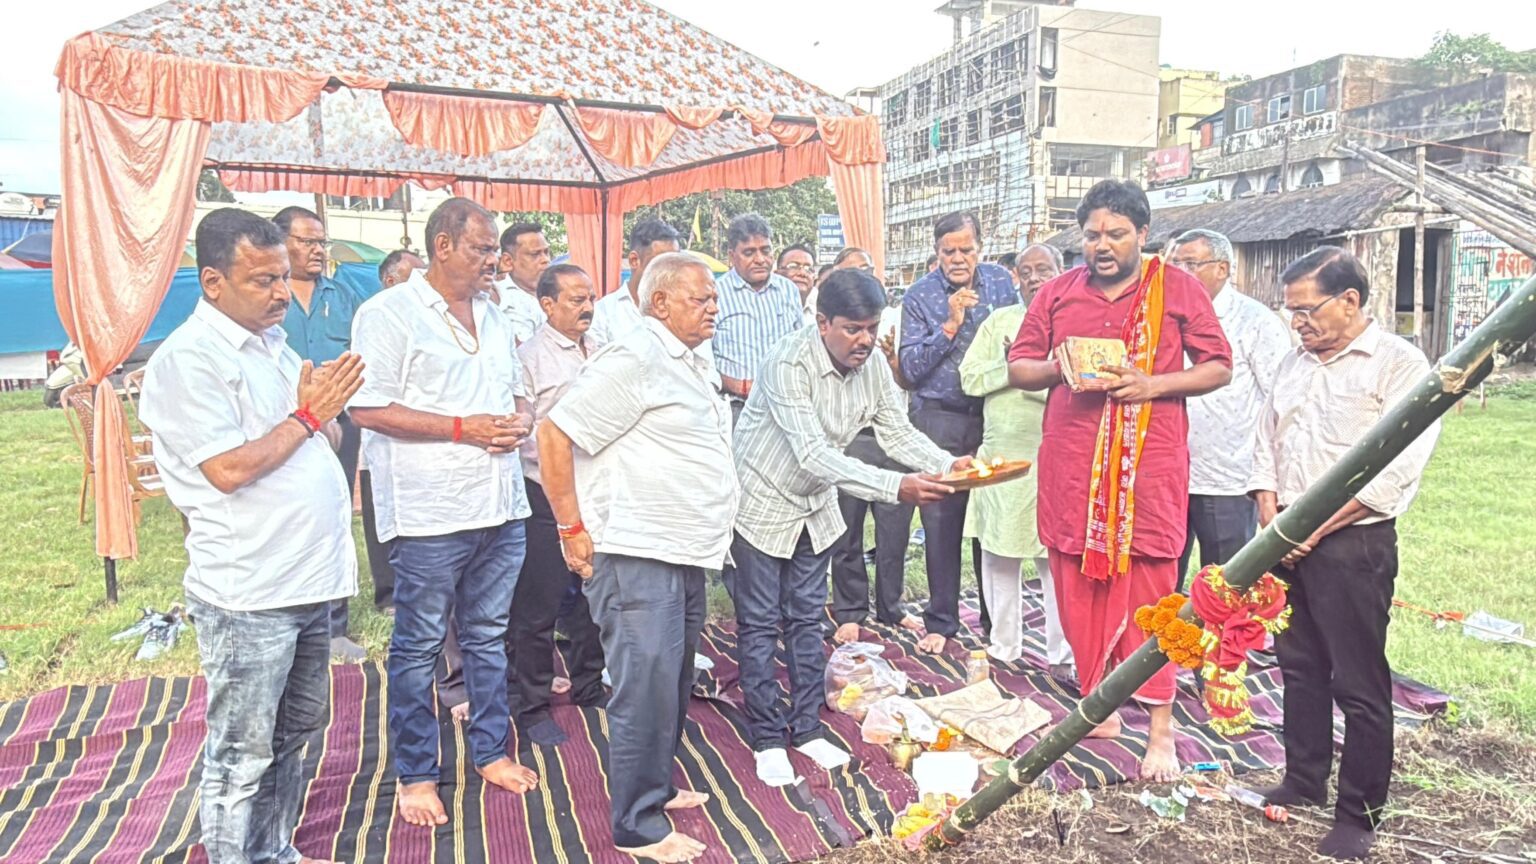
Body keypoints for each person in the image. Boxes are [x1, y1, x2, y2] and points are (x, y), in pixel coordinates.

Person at [140, 208, 364, 864]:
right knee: (241, 755)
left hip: (306, 580)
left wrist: (322, 418)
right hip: (249, 591)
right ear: (213, 282)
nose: (279, 294)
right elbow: (231, 469)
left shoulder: (273, 346)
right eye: (263, 279)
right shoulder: (189, 362)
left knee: (296, 732)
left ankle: (273, 850)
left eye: (283, 278)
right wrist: (308, 414)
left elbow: (324, 435)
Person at [1007, 180, 1232, 782]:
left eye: (1116, 234)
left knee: (1153, 593)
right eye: (1091, 235)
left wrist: (1151, 384)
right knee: (1075, 584)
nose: (1102, 246)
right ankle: (1098, 707)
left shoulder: (1177, 287)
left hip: (1146, 471)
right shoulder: (1057, 292)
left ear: (1142, 234)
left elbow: (1218, 366)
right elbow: (1020, 367)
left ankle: (1161, 729)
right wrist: (1066, 366)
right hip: (1073, 468)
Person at [349, 198, 539, 827]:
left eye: (494, 251)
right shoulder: (389, 312)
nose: (494, 261)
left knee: (487, 637)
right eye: (483, 249)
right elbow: (368, 409)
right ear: (443, 246)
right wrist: (464, 427)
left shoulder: (497, 312)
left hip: (501, 504)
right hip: (430, 513)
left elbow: (515, 391)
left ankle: (488, 750)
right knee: (419, 645)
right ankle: (416, 774)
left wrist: (517, 421)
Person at [537, 252, 731, 864]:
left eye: (712, 298)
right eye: (699, 298)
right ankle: (636, 826)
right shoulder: (637, 357)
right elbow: (553, 434)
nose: (713, 307)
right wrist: (570, 527)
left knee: (671, 676)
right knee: (643, 681)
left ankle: (656, 786)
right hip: (633, 547)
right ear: (660, 302)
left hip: (680, 547)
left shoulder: (687, 359)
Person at [733, 269, 962, 786]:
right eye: (852, 329)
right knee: (761, 621)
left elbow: (895, 429)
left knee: (808, 618)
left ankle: (807, 726)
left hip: (815, 503)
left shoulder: (873, 363)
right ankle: (768, 737)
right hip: (761, 501)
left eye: (872, 327)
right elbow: (812, 453)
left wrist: (948, 466)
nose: (864, 340)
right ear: (822, 323)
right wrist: (896, 487)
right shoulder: (789, 362)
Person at [1249, 248, 1440, 861]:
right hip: (1287, 539)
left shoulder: (1401, 366)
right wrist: (1272, 514)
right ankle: (1303, 779)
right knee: (1298, 666)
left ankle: (1359, 814)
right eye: (1291, 312)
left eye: (1308, 310)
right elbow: (1265, 443)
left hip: (1353, 542)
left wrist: (1315, 528)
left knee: (1358, 681)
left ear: (1350, 300)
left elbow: (1394, 475)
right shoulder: (1291, 362)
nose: (1298, 323)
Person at [898, 210, 1019, 654]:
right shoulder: (919, 296)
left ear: (980, 248)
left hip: (993, 414)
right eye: (948, 251)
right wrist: (948, 325)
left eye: (966, 249)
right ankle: (942, 620)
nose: (958, 258)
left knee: (990, 520)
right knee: (942, 522)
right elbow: (909, 370)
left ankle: (995, 623)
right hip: (939, 417)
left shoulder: (1003, 284)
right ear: (936, 252)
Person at [959, 244, 1073, 676]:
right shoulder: (999, 322)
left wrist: (1034, 373)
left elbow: (1082, 383)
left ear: (1062, 272)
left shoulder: (1075, 322)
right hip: (1003, 454)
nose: (1033, 278)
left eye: (1043, 269)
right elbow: (969, 379)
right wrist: (1012, 368)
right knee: (998, 554)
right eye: (1025, 271)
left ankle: (1062, 653)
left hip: (1056, 454)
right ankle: (1004, 647)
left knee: (1055, 559)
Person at [508, 263, 607, 747]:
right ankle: (530, 706)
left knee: (594, 597)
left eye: (590, 297)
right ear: (546, 305)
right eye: (574, 299)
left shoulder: (604, 350)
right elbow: (527, 433)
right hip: (545, 494)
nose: (587, 307)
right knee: (539, 604)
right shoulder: (530, 358)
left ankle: (590, 684)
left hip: (598, 493)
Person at [270, 205, 369, 662]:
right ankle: (285, 620)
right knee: (288, 518)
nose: (316, 251)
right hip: (281, 426)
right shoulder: (268, 296)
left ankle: (334, 626)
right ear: (280, 242)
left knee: (333, 513)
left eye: (320, 242)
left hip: (338, 422)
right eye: (306, 241)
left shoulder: (341, 293)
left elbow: (360, 354)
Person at [1167, 229, 1290, 587]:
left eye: (1191, 264)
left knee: (1223, 587)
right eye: (1175, 265)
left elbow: (1280, 400)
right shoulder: (1164, 318)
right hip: (1170, 474)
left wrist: (1271, 477)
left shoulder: (1255, 321)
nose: (1180, 273)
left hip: (1228, 478)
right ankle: (1164, 644)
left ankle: (1221, 645)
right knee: (1160, 583)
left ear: (1222, 269)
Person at [829, 248, 922, 642]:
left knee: (894, 530)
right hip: (849, 442)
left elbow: (910, 378)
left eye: (866, 272)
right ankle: (850, 610)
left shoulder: (894, 320)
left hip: (892, 440)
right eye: (851, 274)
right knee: (847, 532)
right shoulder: (827, 326)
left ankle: (892, 606)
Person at [364, 249, 426, 612]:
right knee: (378, 503)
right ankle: (387, 591)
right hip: (375, 418)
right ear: (391, 280)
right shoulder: (379, 314)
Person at [713, 213, 804, 423]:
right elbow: (704, 363)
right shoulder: (715, 294)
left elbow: (802, 348)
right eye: (749, 252)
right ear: (731, 256)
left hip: (786, 406)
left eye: (766, 250)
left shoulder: (788, 290)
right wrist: (742, 386)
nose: (760, 259)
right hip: (736, 407)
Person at [589, 218, 681, 346]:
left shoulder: (684, 310)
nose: (671, 272)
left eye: (675, 264)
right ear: (634, 261)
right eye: (661, 264)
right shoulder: (604, 313)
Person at [494, 222, 552, 344]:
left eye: (546, 252)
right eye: (535, 254)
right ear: (508, 261)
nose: (545, 260)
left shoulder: (558, 291)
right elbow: (523, 354)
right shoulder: (502, 298)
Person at [775, 243, 818, 324]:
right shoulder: (765, 309)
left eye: (808, 269)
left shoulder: (820, 311)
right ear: (777, 274)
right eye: (793, 266)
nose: (802, 273)